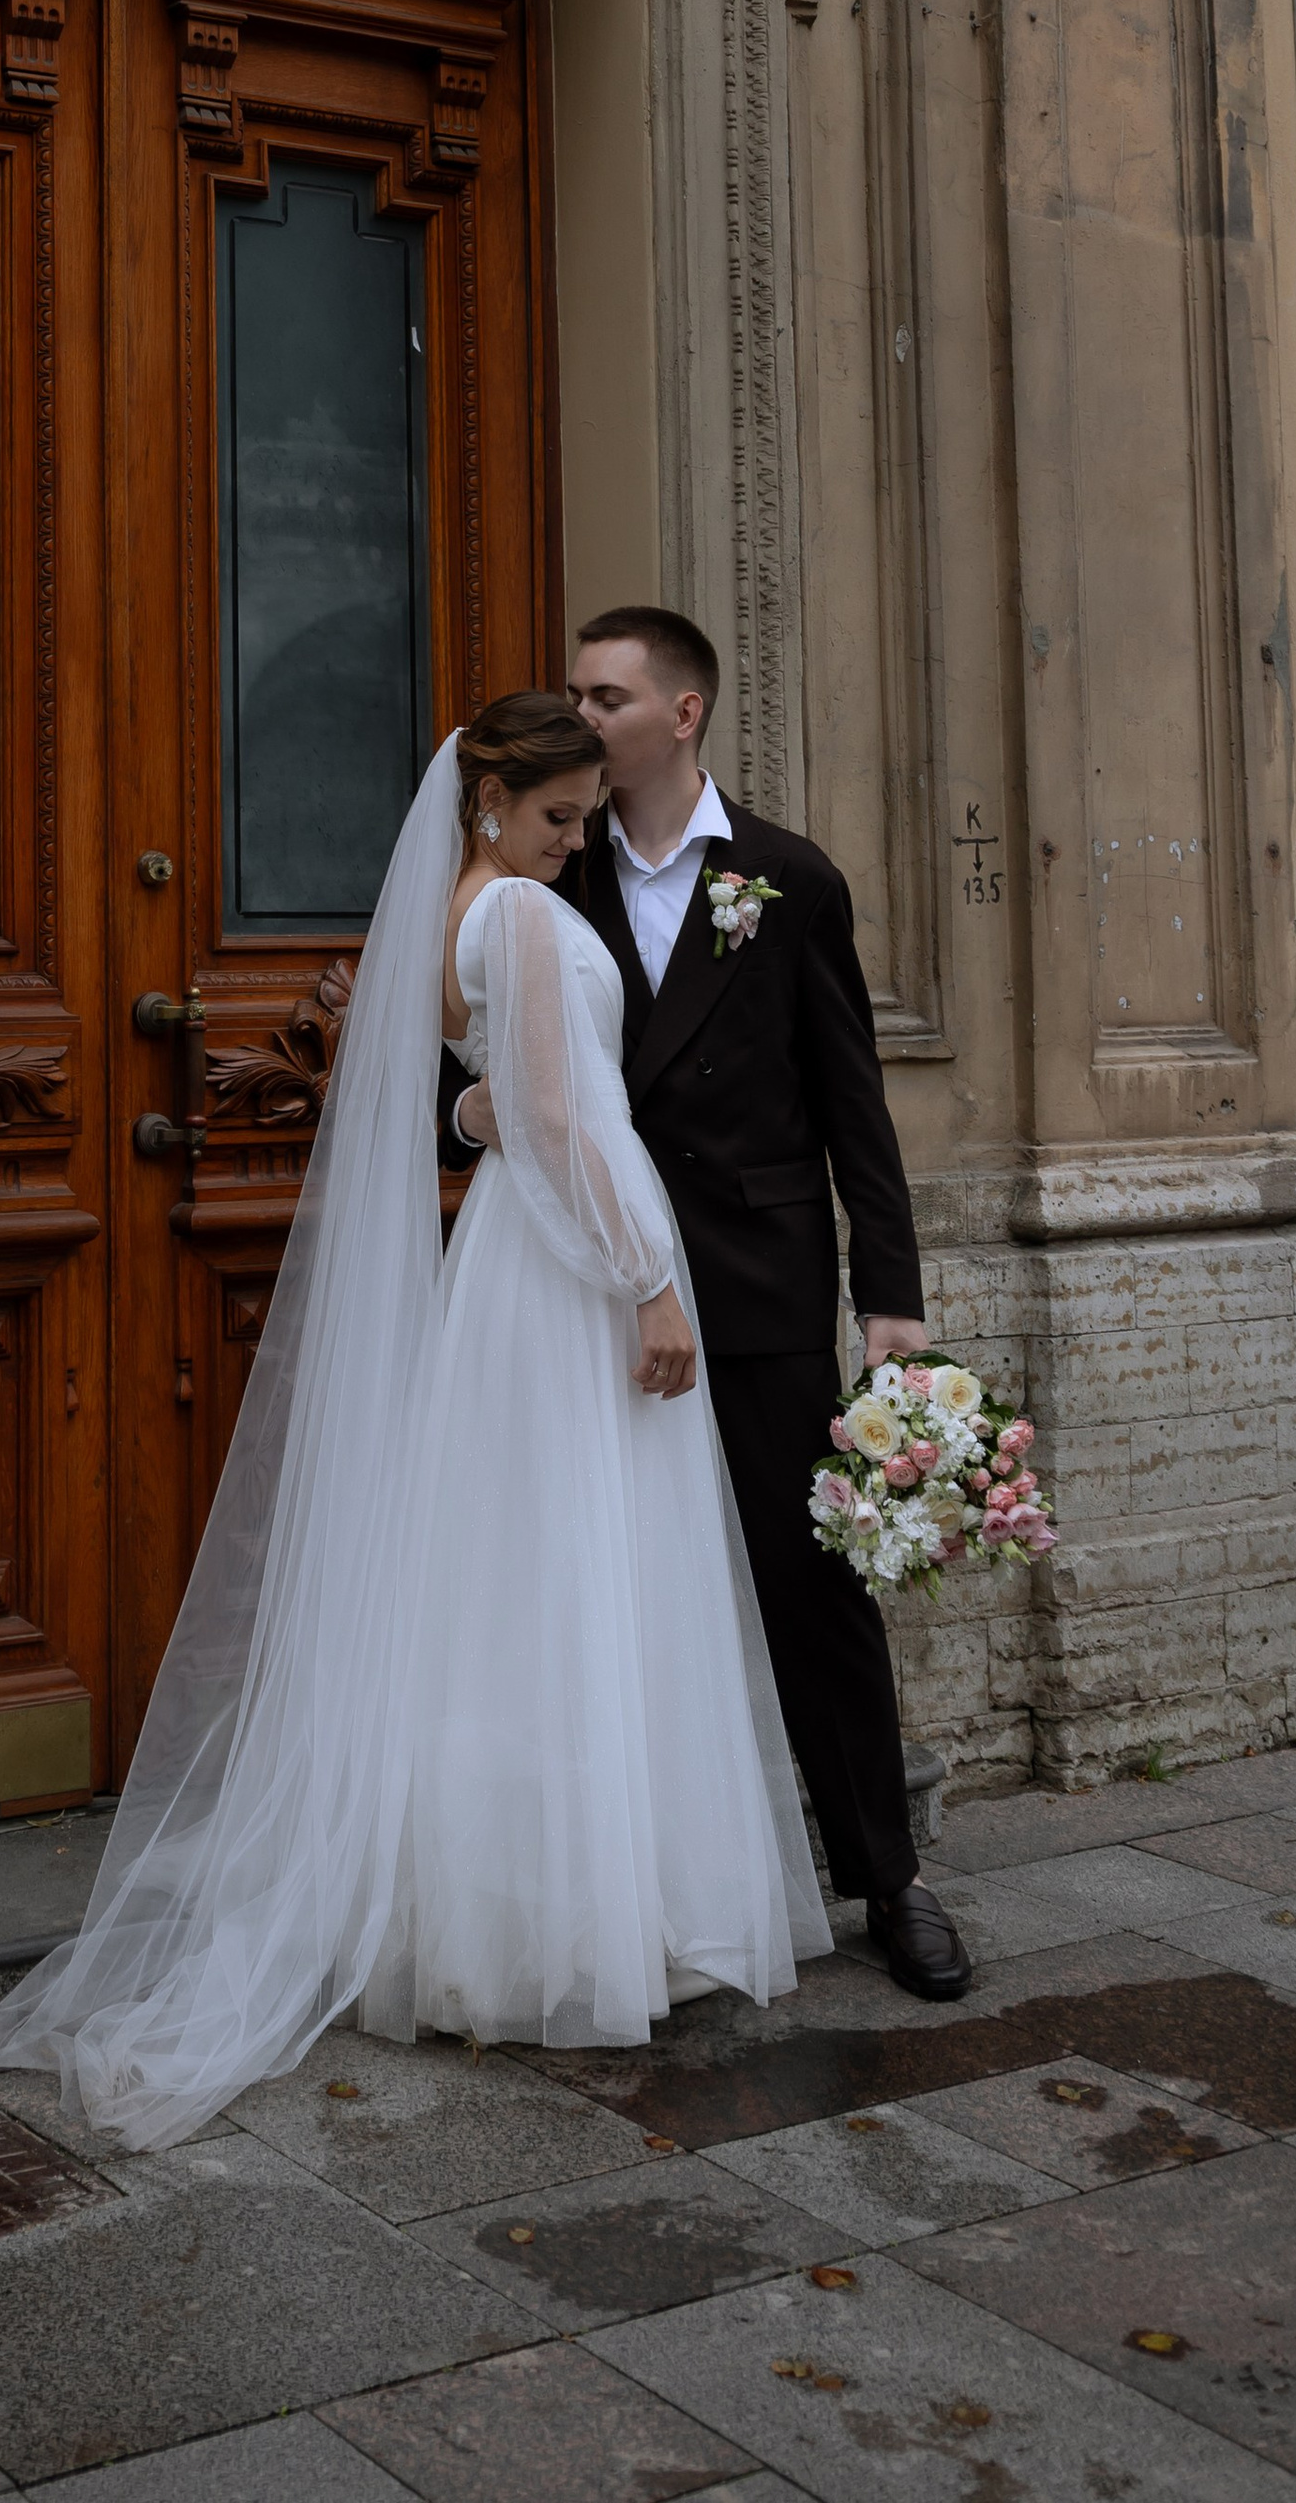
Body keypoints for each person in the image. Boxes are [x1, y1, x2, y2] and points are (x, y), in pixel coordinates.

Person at [0, 695, 832, 2150]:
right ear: (490, 797)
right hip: (575, 1266)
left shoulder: (458, 915)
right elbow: (556, 1120)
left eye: (584, 822)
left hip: (520, 1251)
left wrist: (492, 1123)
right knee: (576, 1571)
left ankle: (522, 1912)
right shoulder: (517, 914)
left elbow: (495, 1107)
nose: (573, 845)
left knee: (521, 1583)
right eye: (556, 817)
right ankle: (579, 1918)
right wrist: (648, 1280)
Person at [451, 606, 970, 2003]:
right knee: (613, 1586)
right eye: (573, 693)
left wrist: (891, 1294)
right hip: (593, 1287)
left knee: (813, 1586)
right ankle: (628, 1891)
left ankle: (890, 1880)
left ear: (683, 714)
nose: (582, 714)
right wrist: (473, 1115)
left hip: (753, 1284)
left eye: (607, 695)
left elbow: (854, 1100)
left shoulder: (788, 877)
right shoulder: (549, 865)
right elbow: (500, 1069)